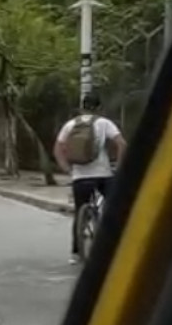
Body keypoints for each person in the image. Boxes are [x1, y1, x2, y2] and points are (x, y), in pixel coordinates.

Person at [54, 93, 127, 264]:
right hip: (103, 174)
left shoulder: (70, 124)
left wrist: (66, 169)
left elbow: (58, 149)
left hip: (80, 176)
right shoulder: (104, 123)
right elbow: (122, 144)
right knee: (115, 207)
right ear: (100, 108)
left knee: (80, 210)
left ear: (81, 107)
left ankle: (76, 253)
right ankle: (116, 247)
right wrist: (120, 164)